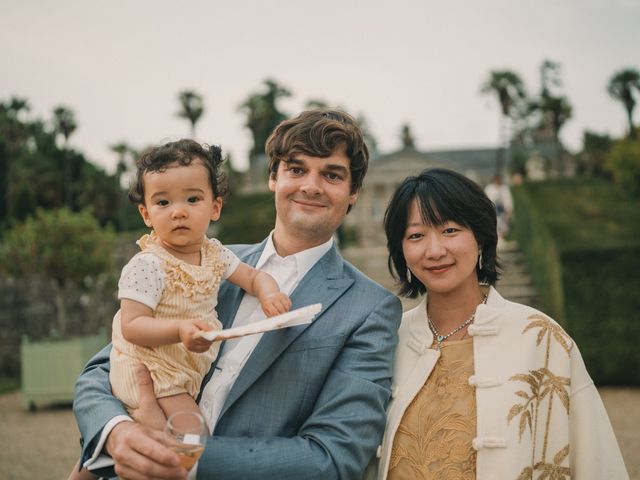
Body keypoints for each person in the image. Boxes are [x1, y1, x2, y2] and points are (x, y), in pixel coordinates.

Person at [72, 109, 402, 479]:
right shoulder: (198, 260)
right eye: (296, 169)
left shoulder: (370, 308)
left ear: (353, 191)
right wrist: (116, 432)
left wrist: (187, 460)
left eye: (331, 174)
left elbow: (334, 457)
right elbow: (104, 367)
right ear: (273, 178)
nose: (311, 185)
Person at [368, 168, 628, 479]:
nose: (435, 250)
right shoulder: (387, 338)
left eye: (450, 230)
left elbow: (595, 460)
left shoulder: (540, 338)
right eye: (416, 235)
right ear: (402, 251)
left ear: (481, 238)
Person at [69, 139, 291, 480]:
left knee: (107, 457)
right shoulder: (148, 265)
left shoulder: (215, 254)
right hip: (153, 368)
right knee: (193, 435)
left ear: (215, 207)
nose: (178, 211)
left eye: (192, 198)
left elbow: (252, 276)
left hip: (180, 370)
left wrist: (268, 291)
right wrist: (179, 329)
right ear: (146, 213)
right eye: (162, 202)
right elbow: (132, 326)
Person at [484, 173, 513, 239]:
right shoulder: (489, 188)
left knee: (503, 225)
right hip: (493, 210)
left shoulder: (504, 188)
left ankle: (502, 239)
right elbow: (487, 199)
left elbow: (508, 199)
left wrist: (508, 208)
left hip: (502, 211)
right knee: (495, 225)